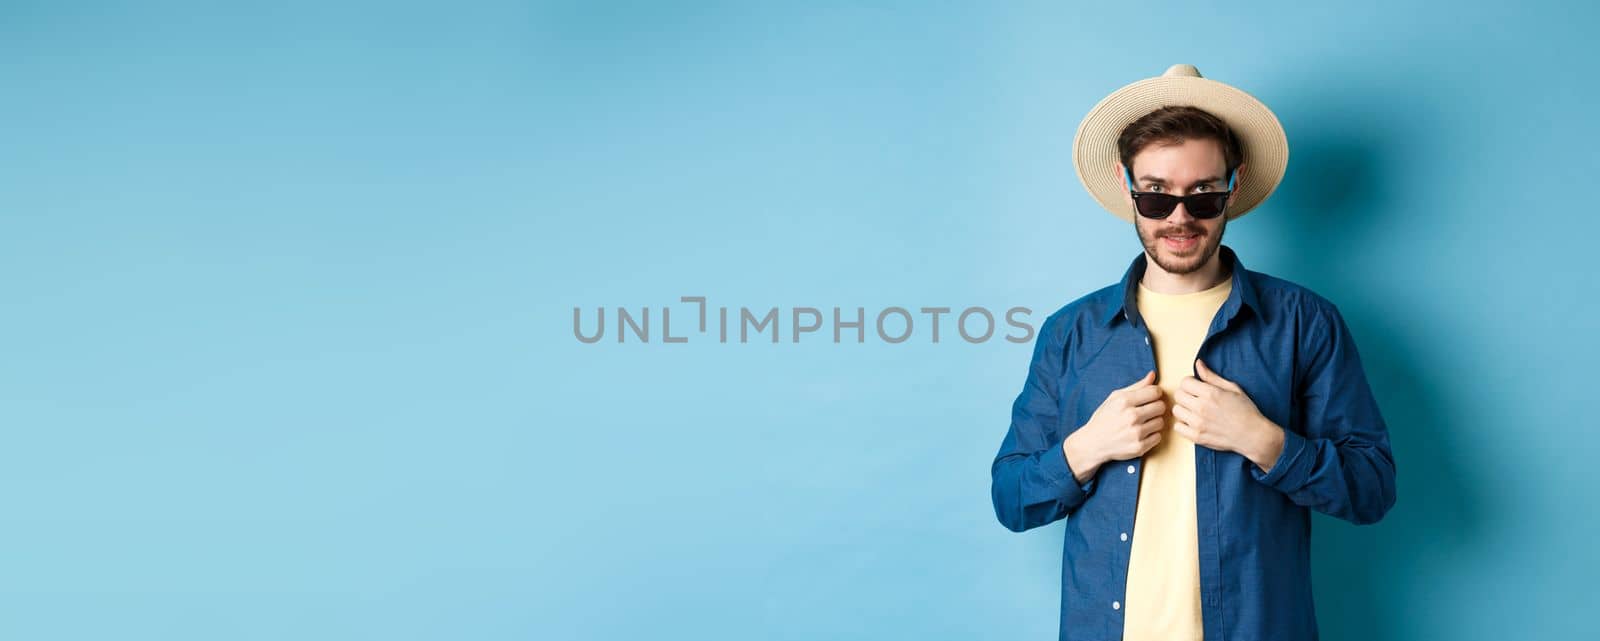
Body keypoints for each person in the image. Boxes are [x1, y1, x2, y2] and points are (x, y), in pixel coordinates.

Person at [989, 64, 1397, 641]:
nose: (1179, 218)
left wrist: (1265, 441)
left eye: (1203, 196)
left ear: (1234, 185)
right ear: (1127, 184)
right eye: (1156, 197)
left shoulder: (1305, 323)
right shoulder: (1071, 333)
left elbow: (1372, 487)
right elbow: (1011, 498)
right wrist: (1086, 447)